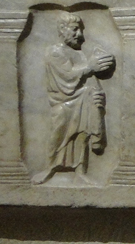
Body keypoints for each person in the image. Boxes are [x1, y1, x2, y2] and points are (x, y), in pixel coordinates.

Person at [32, 12, 114, 184]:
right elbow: (67, 76)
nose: (80, 35)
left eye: (81, 30)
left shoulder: (79, 53)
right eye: (75, 30)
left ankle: (80, 170)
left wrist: (101, 68)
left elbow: (89, 76)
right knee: (59, 132)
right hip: (62, 101)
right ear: (63, 29)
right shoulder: (54, 52)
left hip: (82, 98)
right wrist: (90, 67)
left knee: (81, 135)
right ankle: (50, 168)